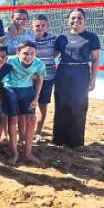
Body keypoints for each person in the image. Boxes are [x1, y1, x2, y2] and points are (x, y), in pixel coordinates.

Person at [53, 8, 101, 148]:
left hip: (81, 73)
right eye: (73, 18)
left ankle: (75, 141)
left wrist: (93, 79)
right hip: (63, 72)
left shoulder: (91, 37)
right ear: (68, 20)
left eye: (79, 18)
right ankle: (59, 139)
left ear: (85, 20)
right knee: (61, 104)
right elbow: (52, 55)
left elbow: (96, 59)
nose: (76, 20)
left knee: (78, 106)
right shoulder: (62, 37)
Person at [1, 41, 45, 165]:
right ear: (18, 52)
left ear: (36, 53)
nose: (28, 56)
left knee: (31, 119)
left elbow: (40, 79)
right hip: (10, 89)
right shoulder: (10, 60)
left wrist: (36, 97)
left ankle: (28, 153)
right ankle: (14, 153)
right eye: (25, 53)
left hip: (27, 91)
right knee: (13, 119)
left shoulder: (39, 64)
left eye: (32, 53)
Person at [31, 14, 57, 143]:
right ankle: (27, 131)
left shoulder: (53, 39)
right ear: (32, 27)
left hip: (48, 76)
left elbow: (57, 53)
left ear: (48, 26)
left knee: (42, 104)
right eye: (37, 25)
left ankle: (38, 132)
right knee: (28, 104)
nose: (40, 28)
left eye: (43, 25)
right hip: (29, 77)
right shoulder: (29, 38)